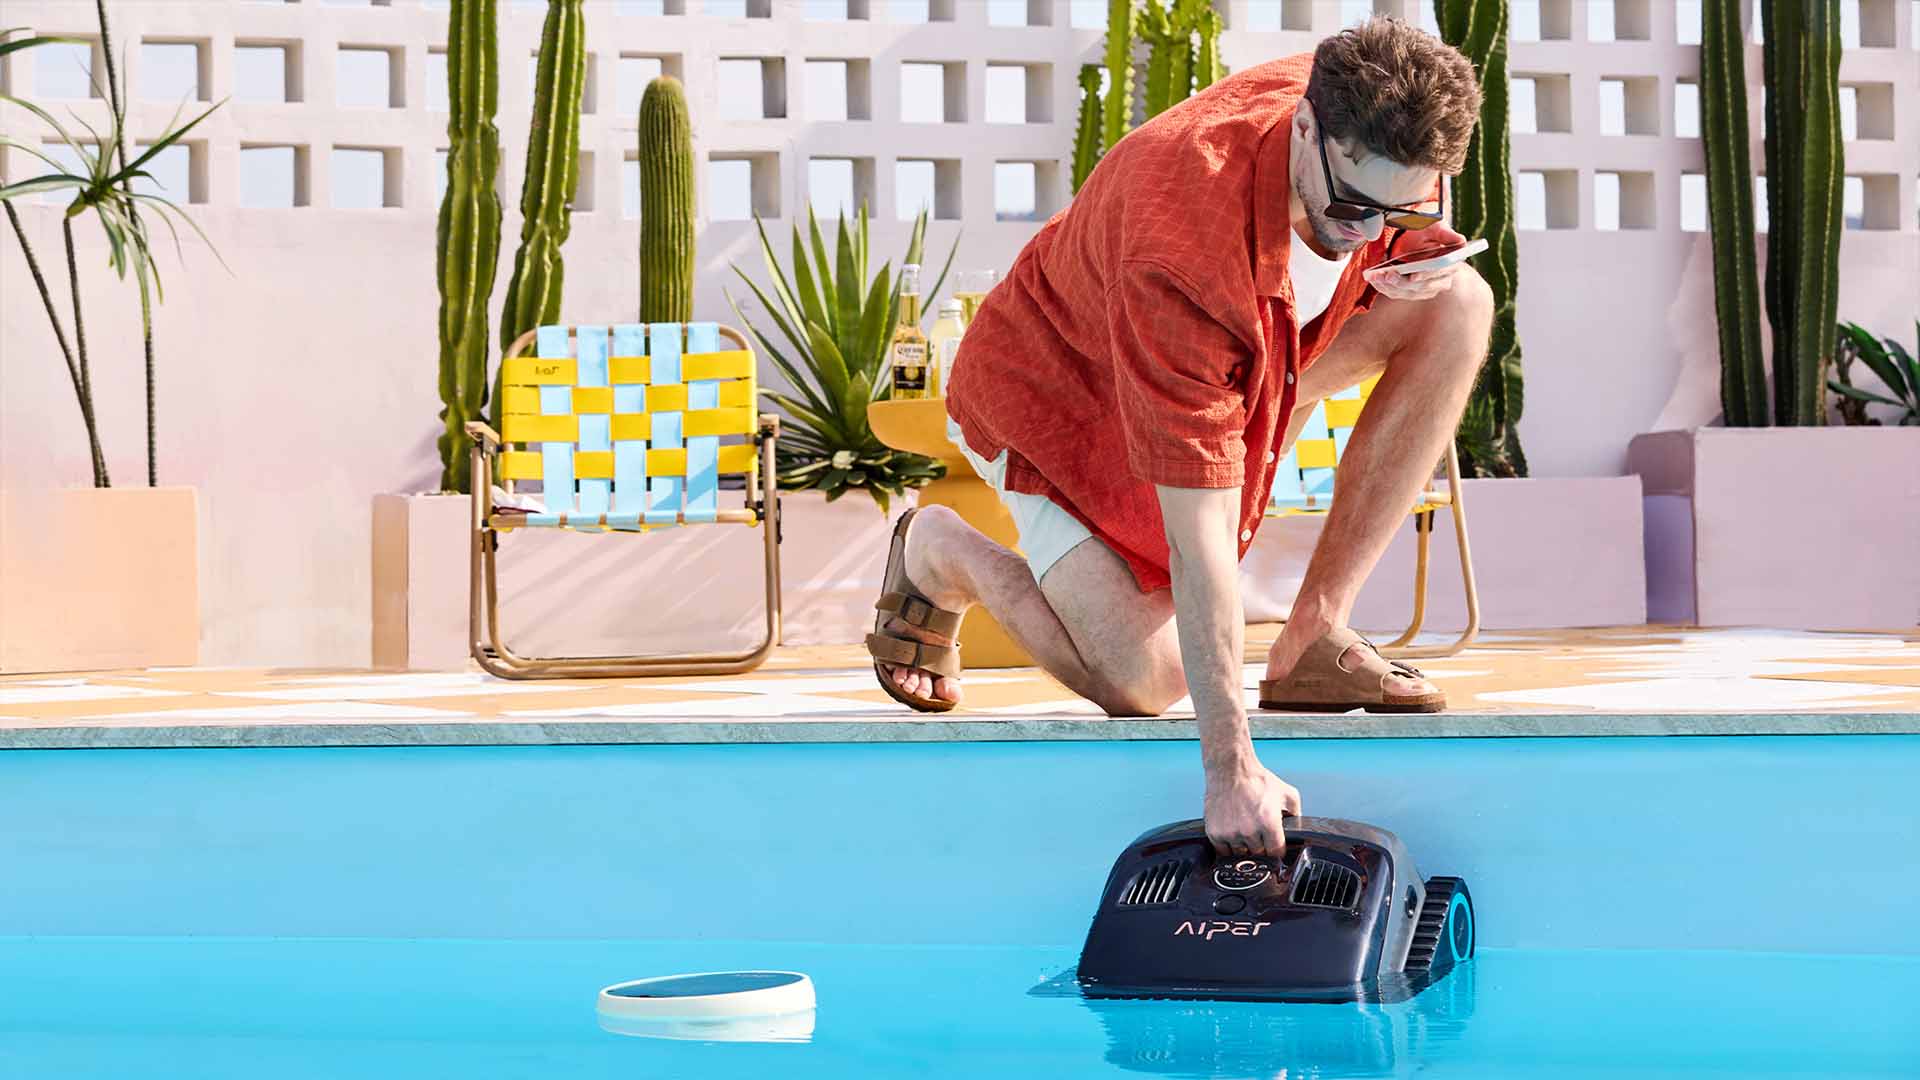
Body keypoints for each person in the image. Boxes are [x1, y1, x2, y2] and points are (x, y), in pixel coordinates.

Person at [862, 17, 1492, 860]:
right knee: (1146, 681)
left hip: (1249, 358)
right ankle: (943, 552)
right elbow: (1202, 549)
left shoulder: (1361, 98)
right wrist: (1231, 767)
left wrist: (1419, 238)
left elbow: (1382, 213)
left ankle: (1316, 634)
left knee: (1458, 305)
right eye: (1352, 208)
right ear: (1305, 128)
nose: (1369, 234)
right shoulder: (1182, 255)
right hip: (1063, 401)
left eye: (1401, 208)